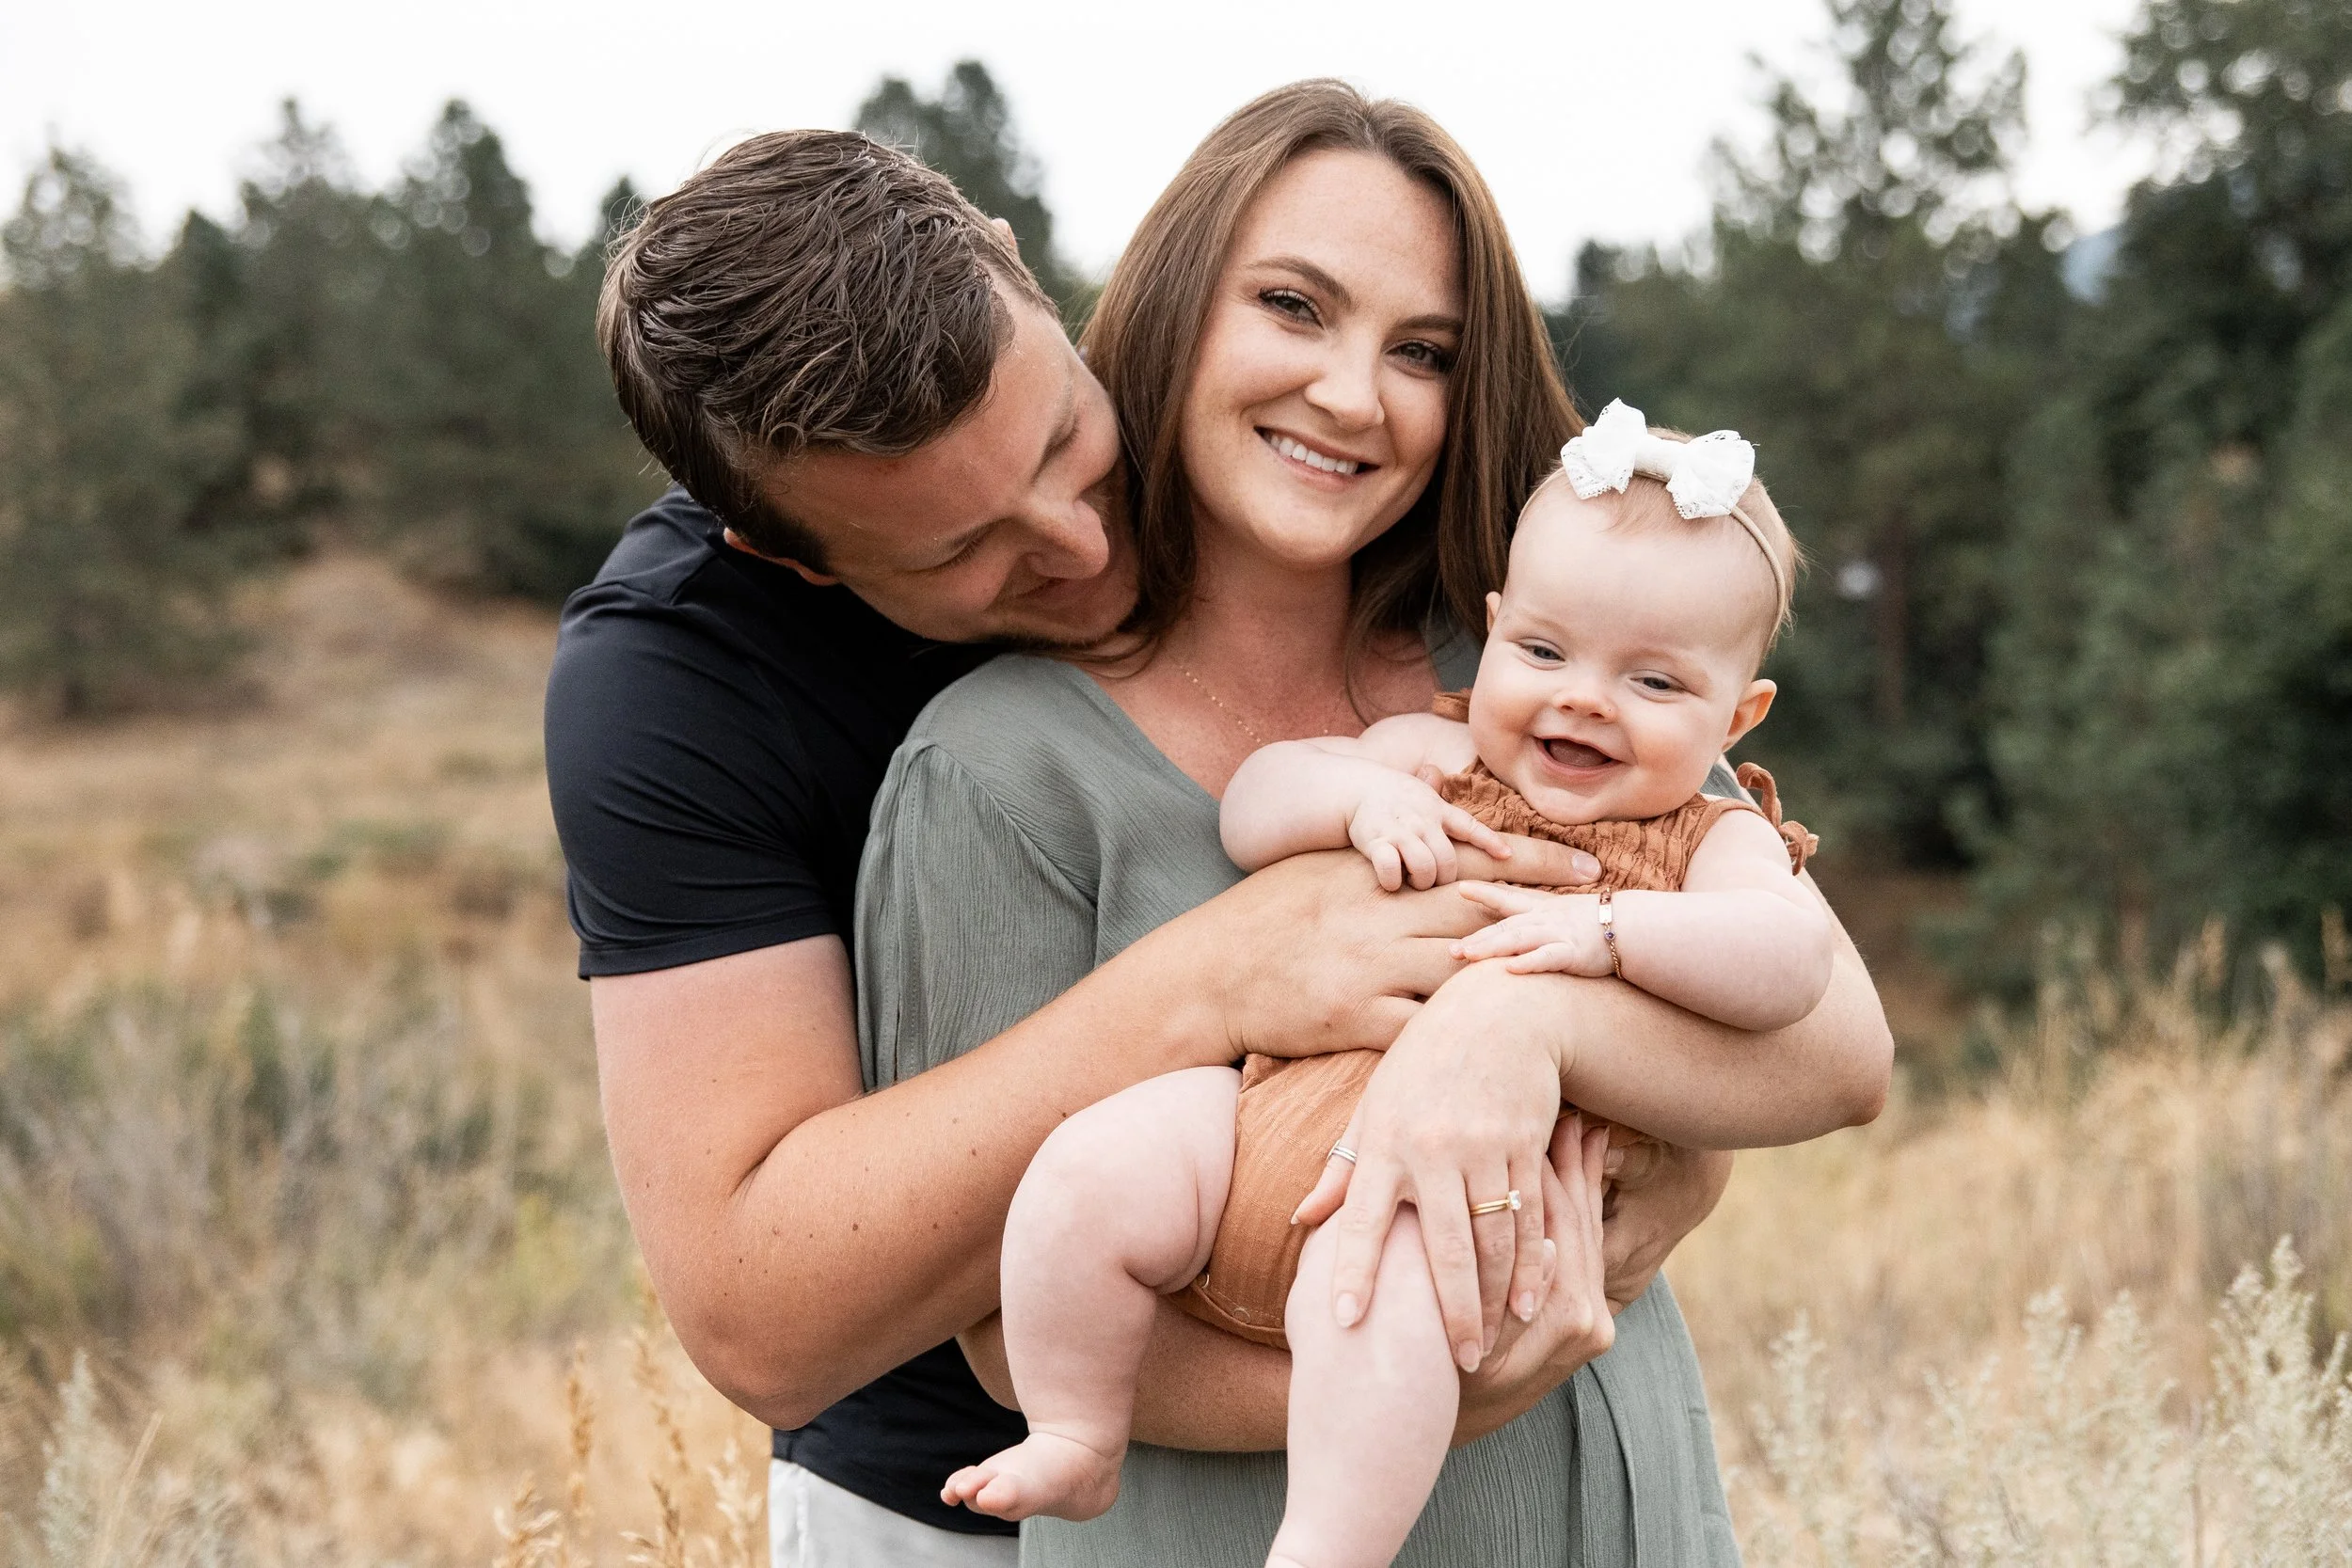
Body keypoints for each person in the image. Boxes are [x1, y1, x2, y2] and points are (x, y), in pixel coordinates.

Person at [548, 114, 1887, 1568]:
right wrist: (1226, 989)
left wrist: (1531, 1038)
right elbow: (771, 1307)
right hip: (976, 1479)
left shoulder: (1518, 640)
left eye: (1067, 439)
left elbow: (1824, 1032)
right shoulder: (704, 691)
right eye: (962, 549)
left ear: (1033, 281)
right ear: (796, 555)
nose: (1080, 542)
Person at [943, 404, 1836, 1568]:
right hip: (1256, 1123)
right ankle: (1074, 1424)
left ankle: (1325, 1542)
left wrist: (1615, 930)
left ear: (1737, 714)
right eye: (1546, 652)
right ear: (1495, 629)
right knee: (1088, 1168)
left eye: (1654, 681)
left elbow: (1791, 962)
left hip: (1448, 1195)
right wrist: (1359, 801)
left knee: (1377, 1304)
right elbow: (1256, 801)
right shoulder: (1435, 752)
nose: (1582, 698)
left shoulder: (1707, 837)